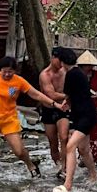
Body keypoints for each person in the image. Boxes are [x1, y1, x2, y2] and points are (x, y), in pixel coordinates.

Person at [53, 47, 97, 192]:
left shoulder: (72, 74)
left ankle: (68, 184)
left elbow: (67, 95)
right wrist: (68, 103)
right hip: (82, 114)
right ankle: (94, 175)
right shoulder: (78, 73)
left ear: (62, 61)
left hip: (85, 115)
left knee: (70, 146)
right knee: (84, 149)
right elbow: (74, 96)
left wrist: (64, 103)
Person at [39, 47, 69, 177]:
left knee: (64, 137)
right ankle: (57, 164)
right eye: (59, 60)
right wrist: (68, 95)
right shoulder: (45, 75)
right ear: (53, 58)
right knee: (53, 141)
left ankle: (65, 167)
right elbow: (50, 94)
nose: (61, 64)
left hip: (62, 109)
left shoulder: (65, 71)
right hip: (48, 109)